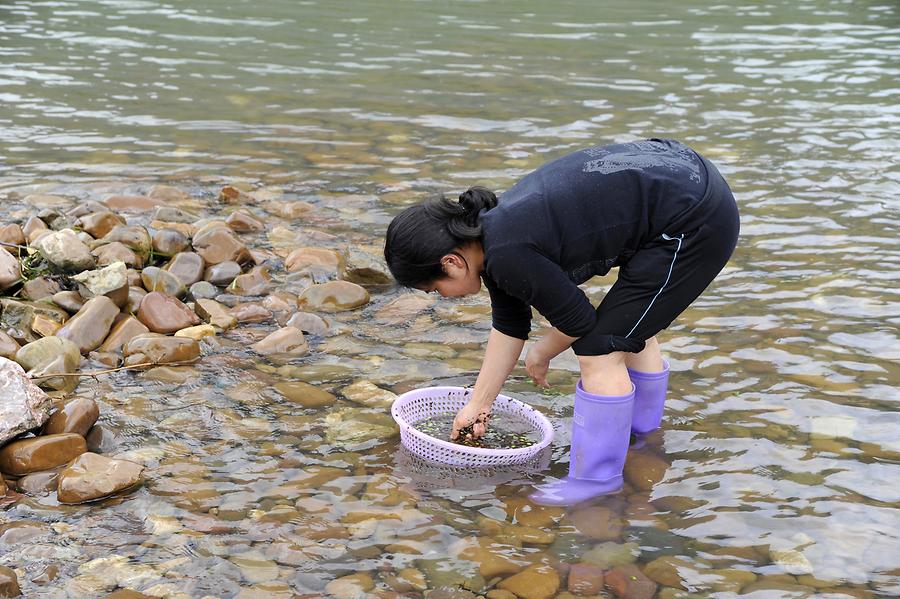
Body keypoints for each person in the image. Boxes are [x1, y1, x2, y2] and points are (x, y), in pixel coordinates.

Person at [383, 138, 740, 505]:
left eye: (434, 288)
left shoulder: (507, 252)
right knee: (629, 324)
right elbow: (509, 323)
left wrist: (541, 352)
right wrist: (478, 404)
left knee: (600, 348)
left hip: (694, 220)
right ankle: (643, 438)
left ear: (452, 262)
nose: (441, 296)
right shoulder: (492, 237)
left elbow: (578, 320)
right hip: (683, 179)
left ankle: (597, 482)